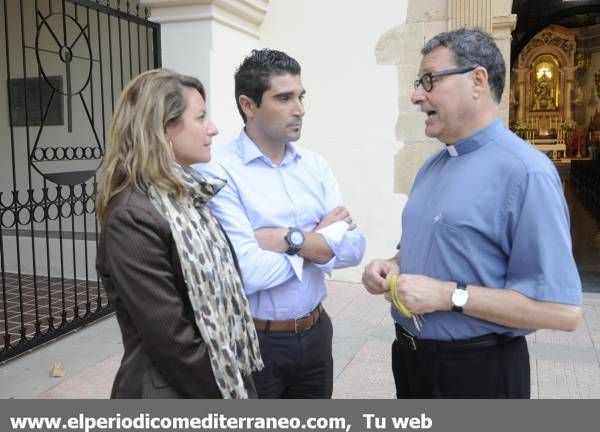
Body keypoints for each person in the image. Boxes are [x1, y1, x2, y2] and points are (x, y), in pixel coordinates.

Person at [362, 29, 583, 399]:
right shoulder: (432, 165)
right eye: (419, 83)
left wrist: (450, 296)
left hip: (478, 373)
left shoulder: (527, 173)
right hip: (411, 361)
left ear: (477, 80)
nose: (417, 95)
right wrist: (392, 264)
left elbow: (562, 312)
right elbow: (426, 250)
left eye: (429, 80)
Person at [198, 49, 366, 398]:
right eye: (284, 98)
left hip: (317, 331)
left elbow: (354, 248)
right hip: (256, 341)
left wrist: (288, 238)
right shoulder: (218, 171)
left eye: (301, 96)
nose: (300, 108)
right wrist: (320, 240)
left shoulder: (315, 166)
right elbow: (248, 272)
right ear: (248, 105)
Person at [96, 69, 263, 398]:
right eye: (200, 117)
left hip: (216, 379)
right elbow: (172, 340)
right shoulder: (132, 217)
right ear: (163, 129)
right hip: (172, 390)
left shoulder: (188, 197)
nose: (212, 128)